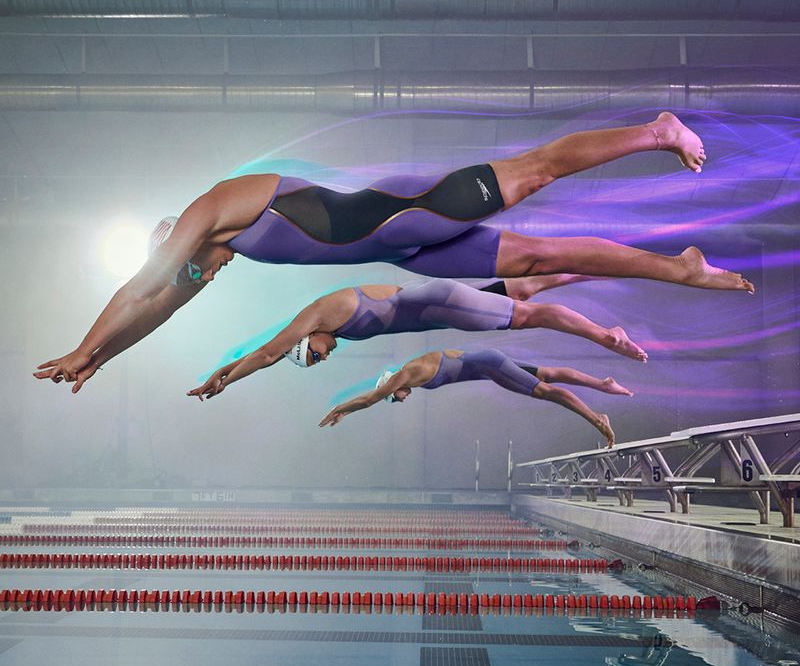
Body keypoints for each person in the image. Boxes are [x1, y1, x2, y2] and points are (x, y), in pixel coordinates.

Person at [35, 112, 752, 392]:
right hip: (408, 252)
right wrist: (102, 357)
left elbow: (143, 287)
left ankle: (656, 132)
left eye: (194, 268)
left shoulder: (211, 210)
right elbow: (158, 307)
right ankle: (677, 268)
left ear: (176, 239)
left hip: (408, 209)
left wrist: (83, 344)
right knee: (535, 260)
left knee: (535, 171)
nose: (204, 277)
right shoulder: (217, 248)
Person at [186, 277, 648, 401]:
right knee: (524, 289)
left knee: (529, 315)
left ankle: (606, 335)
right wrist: (222, 371)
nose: (325, 358)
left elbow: (269, 353)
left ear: (305, 341)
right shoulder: (327, 322)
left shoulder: (317, 314)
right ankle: (599, 263)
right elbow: (265, 350)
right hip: (437, 303)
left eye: (316, 357)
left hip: (438, 303)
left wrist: (224, 381)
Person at [318, 348, 631, 448]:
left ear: (391, 385)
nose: (400, 400)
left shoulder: (405, 374)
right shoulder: (415, 371)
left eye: (395, 398)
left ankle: (597, 419)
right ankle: (602, 383)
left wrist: (341, 408)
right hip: (488, 362)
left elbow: (370, 399)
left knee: (547, 392)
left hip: (490, 366)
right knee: (547, 374)